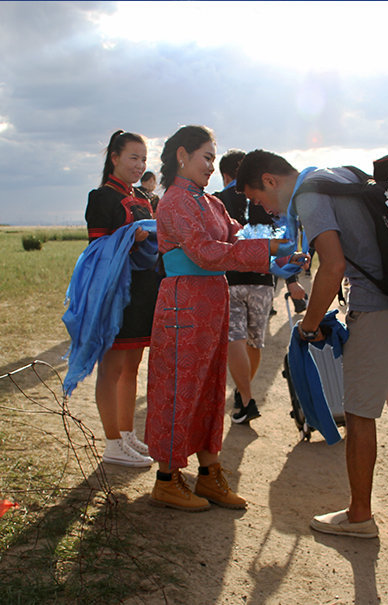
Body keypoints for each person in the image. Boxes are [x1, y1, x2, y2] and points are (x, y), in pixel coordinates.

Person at [237, 149, 388, 539]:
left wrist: (309, 326)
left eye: (260, 199)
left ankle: (360, 516)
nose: (269, 210)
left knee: (360, 414)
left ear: (270, 180)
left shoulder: (309, 194)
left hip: (377, 306)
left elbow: (335, 265)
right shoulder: (343, 174)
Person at [145, 126, 302, 512]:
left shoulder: (209, 203)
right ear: (183, 155)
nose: (212, 167)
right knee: (180, 385)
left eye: (214, 160)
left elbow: (238, 236)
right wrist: (269, 250)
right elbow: (205, 252)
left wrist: (280, 252)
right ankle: (166, 479)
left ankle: (209, 473)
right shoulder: (175, 203)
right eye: (207, 158)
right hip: (185, 301)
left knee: (212, 386)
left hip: (211, 299)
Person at [214, 149, 308, 425]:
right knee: (255, 341)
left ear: (225, 174)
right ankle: (245, 397)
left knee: (235, 340)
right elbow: (284, 242)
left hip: (231, 279)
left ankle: (245, 396)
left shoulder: (218, 202)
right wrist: (290, 280)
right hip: (264, 279)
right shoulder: (269, 200)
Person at [85, 130, 161, 468]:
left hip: (145, 289)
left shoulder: (145, 196)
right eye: (133, 157)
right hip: (116, 291)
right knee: (112, 368)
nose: (139, 164)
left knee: (133, 366)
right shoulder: (101, 197)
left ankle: (127, 433)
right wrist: (131, 238)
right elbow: (97, 250)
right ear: (114, 157)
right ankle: (112, 442)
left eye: (143, 159)